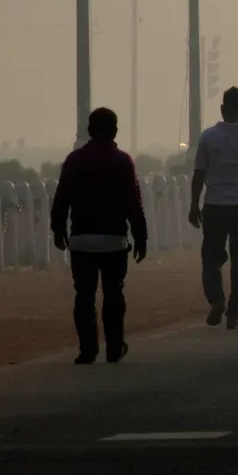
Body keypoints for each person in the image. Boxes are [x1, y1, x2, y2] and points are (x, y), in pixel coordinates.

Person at [49, 107, 148, 364]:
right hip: (114, 240)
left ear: (89, 131)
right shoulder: (123, 162)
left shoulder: (74, 160)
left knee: (84, 295)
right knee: (114, 293)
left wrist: (58, 228)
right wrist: (141, 237)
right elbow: (133, 203)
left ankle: (88, 349)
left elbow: (62, 198)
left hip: (81, 239)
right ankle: (114, 346)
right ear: (115, 131)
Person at [187, 86, 238, 330]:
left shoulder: (208, 138)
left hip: (214, 206)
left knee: (211, 259)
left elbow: (199, 174)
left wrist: (194, 204)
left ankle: (216, 299)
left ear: (222, 108)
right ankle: (234, 315)